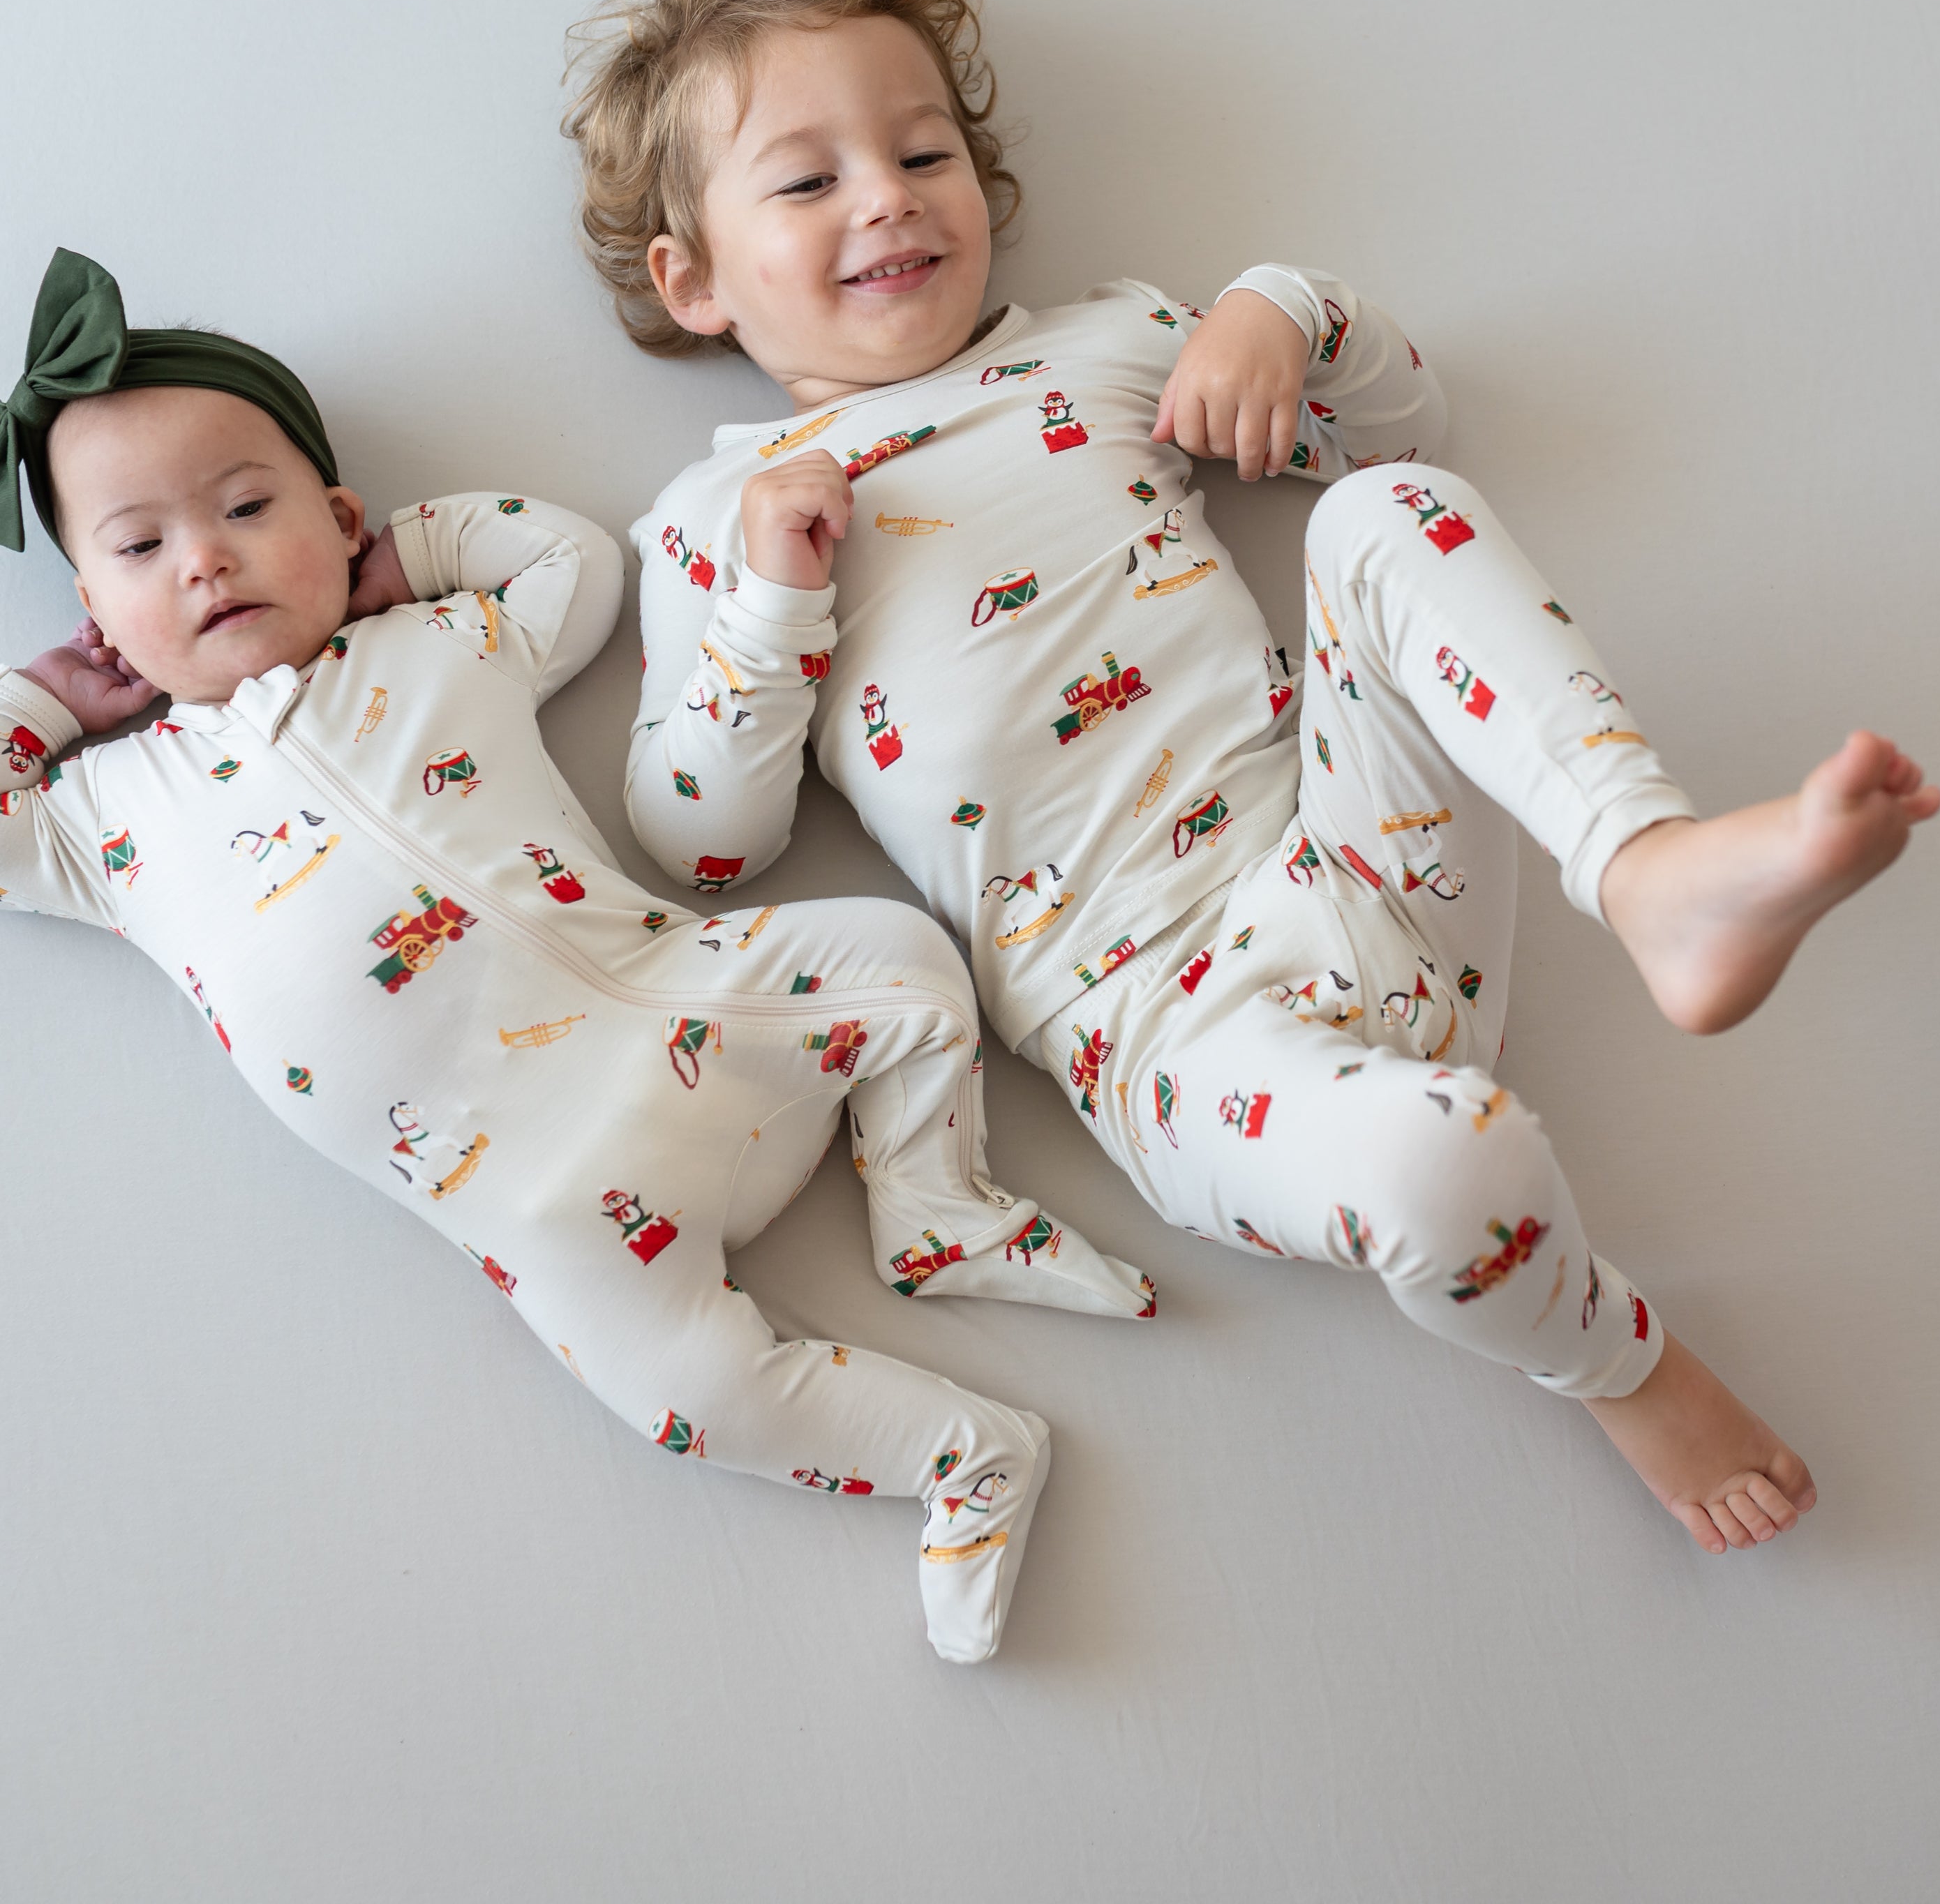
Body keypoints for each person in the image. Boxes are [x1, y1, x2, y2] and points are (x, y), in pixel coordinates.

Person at [569, 0, 1940, 1554]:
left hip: (1354, 858)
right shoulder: (717, 522)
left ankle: (1645, 866)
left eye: (923, 154)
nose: (886, 199)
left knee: (1388, 518)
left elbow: (1400, 418)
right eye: (808, 180)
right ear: (693, 278)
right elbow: (702, 838)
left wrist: (1278, 313)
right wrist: (774, 605)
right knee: (1452, 1176)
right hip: (1167, 1033)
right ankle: (1618, 1362)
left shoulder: (1104, 351)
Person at [0, 248, 1158, 1662]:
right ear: (93, 609)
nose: (205, 556)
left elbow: (571, 556)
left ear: (342, 518)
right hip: (543, 1201)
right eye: (138, 548)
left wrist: (401, 563)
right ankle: (965, 1458)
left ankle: (938, 1205)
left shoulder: (438, 643)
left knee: (903, 958)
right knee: (695, 1397)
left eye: (250, 507)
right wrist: (48, 703)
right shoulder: (113, 819)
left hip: (697, 1001)